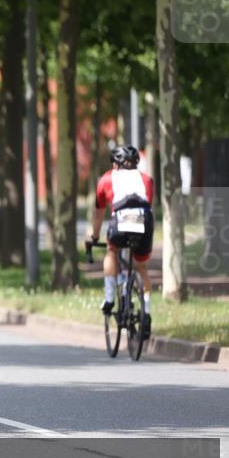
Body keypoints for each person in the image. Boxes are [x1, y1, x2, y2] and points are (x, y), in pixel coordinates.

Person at [87, 145, 155, 339]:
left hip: (121, 221)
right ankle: (147, 312)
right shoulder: (147, 180)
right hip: (144, 221)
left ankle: (110, 298)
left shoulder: (107, 179)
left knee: (112, 252)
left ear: (115, 164)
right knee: (141, 266)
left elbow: (99, 214)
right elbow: (148, 206)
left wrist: (94, 237)